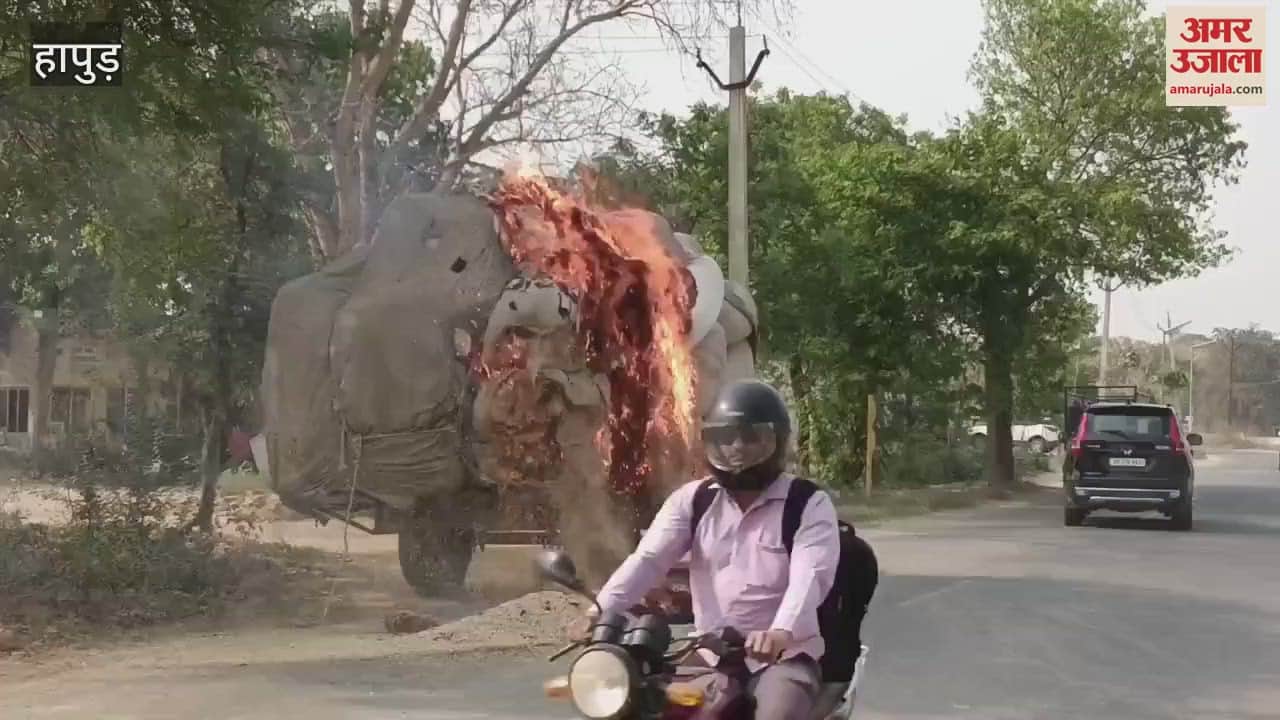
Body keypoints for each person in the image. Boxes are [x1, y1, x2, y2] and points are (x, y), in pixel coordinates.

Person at [571, 379, 841, 720]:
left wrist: (779, 631)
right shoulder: (694, 500)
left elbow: (810, 575)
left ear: (777, 442)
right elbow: (649, 560)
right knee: (650, 707)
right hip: (709, 654)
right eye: (725, 438)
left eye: (751, 437)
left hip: (782, 658)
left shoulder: (806, 504)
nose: (737, 448)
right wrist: (598, 611)